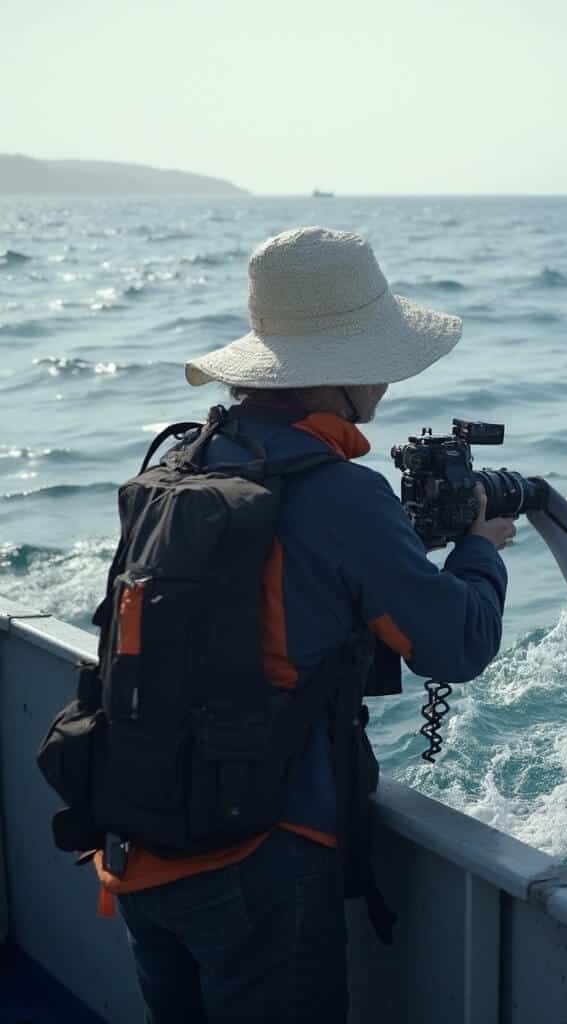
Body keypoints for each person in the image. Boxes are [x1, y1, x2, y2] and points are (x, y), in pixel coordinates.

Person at [99, 226, 515, 1022]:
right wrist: (480, 549)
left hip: (137, 843)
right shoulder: (344, 496)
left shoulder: (177, 464)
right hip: (256, 857)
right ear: (346, 376)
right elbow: (457, 644)